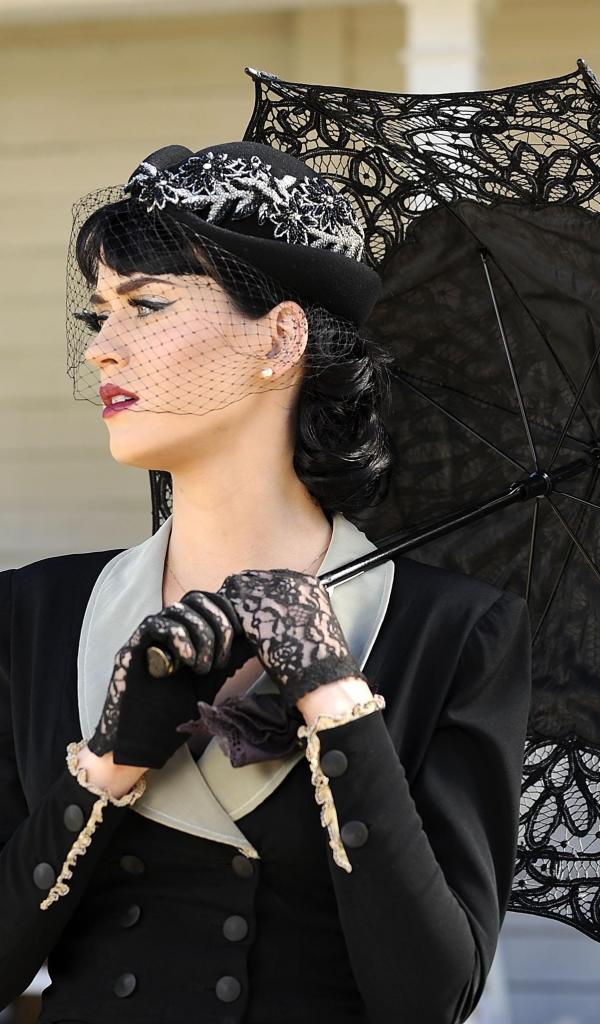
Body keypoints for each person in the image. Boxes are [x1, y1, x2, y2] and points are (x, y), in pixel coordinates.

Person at [0, 140, 532, 1024]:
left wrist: (334, 699)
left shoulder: (454, 631)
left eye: (147, 305)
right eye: (101, 314)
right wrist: (109, 764)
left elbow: (433, 999)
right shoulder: (32, 613)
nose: (103, 350)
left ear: (281, 337)